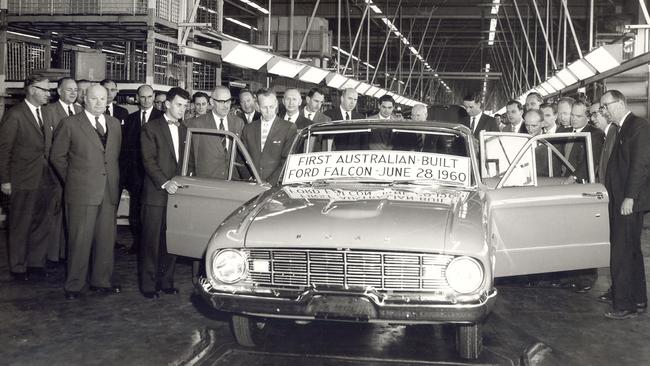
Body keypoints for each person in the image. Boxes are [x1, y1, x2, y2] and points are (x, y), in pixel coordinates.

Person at [50, 84, 122, 300]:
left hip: (108, 192)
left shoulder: (115, 124)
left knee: (105, 240)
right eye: (94, 99)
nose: (100, 103)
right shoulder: (70, 124)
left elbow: (113, 157)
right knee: (79, 241)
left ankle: (101, 281)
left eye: (103, 98)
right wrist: (74, 180)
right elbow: (57, 157)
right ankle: (74, 286)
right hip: (81, 192)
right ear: (84, 99)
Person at [0, 74, 56, 281]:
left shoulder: (47, 114)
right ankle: (18, 266)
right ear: (32, 89)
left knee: (41, 222)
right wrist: (5, 180)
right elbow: (4, 150)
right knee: (20, 223)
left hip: (45, 178)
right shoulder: (15, 115)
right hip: (22, 179)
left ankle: (36, 263)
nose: (48, 94)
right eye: (45, 89)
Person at [600, 90, 650, 319]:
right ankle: (638, 300)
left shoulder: (637, 126)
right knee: (631, 252)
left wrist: (630, 197)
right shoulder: (623, 128)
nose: (603, 110)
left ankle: (623, 305)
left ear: (619, 103)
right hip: (621, 199)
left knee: (621, 252)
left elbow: (640, 165)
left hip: (627, 201)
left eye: (606, 106)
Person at [139, 87, 190, 299]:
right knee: (151, 241)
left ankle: (166, 281)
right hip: (156, 194)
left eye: (186, 106)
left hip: (177, 196)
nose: (183, 110)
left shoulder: (185, 130)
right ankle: (148, 285)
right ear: (167, 104)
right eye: (179, 105)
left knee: (171, 240)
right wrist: (165, 182)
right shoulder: (150, 128)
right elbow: (148, 161)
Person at [43, 77, 83, 264]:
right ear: (59, 91)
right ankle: (52, 256)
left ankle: (65, 253)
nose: (73, 93)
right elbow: (48, 146)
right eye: (69, 90)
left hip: (76, 173)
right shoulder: (48, 111)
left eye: (75, 90)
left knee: (72, 215)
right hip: (55, 172)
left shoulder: (80, 110)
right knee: (55, 215)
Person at [120, 85, 164, 255]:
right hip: (136, 175)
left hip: (156, 174)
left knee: (153, 212)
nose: (146, 100)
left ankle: (152, 246)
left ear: (154, 97)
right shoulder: (130, 119)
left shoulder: (161, 117)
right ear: (137, 98)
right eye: (142, 97)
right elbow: (126, 149)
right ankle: (137, 244)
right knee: (136, 211)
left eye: (149, 96)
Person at [186, 85, 245, 179]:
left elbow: (241, 155)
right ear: (212, 102)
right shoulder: (197, 124)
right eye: (221, 102)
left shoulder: (238, 123)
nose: (226, 105)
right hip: (207, 181)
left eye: (228, 101)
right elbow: (191, 157)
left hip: (232, 180)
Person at [241, 89, 297, 184]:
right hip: (252, 183)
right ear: (257, 106)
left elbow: (287, 160)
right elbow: (241, 157)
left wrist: (270, 182)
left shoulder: (289, 128)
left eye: (271, 107)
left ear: (276, 104)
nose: (268, 111)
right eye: (264, 107)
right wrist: (249, 177)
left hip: (276, 184)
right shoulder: (248, 129)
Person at [563, 101, 604, 184]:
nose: (574, 119)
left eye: (578, 116)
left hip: (578, 182)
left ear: (588, 117)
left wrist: (575, 177)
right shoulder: (563, 132)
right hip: (560, 178)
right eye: (572, 115)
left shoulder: (595, 134)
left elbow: (591, 160)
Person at [590, 102, 618, 183]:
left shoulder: (614, 134)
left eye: (595, 114)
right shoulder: (606, 135)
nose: (592, 119)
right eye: (591, 115)